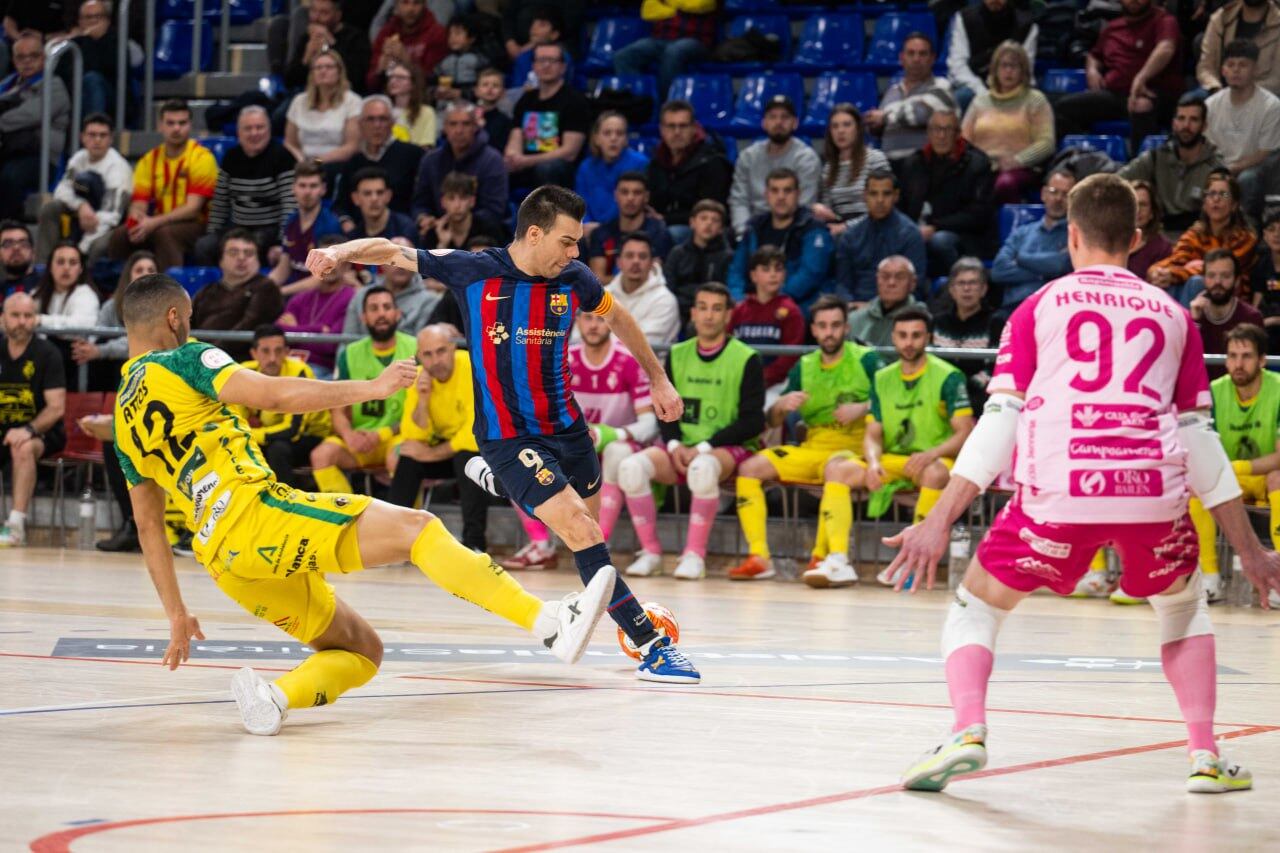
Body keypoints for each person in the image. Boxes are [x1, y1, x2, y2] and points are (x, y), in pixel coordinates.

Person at [887, 172, 1280, 796]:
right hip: (1152, 490)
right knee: (1182, 607)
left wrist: (938, 521)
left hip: (1060, 494)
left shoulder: (1037, 306)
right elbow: (1200, 442)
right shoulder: (1175, 315)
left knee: (976, 607)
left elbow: (1000, 421)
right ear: (1138, 237)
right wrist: (1253, 553)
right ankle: (1205, 756)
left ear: (1071, 233)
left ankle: (967, 732)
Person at [110, 273, 614, 737]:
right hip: (256, 514)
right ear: (174, 318)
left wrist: (176, 613)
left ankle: (274, 697)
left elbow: (148, 525)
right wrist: (368, 388)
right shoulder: (184, 358)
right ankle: (548, 624)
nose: (192, 324)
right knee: (418, 530)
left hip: (224, 560)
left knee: (363, 650)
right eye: (190, 316)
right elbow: (272, 394)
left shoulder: (121, 419)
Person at [307, 185, 702, 683]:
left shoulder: (574, 278)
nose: (575, 252)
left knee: (589, 535)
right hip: (509, 437)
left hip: (569, 430)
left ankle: (497, 483)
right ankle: (651, 646)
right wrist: (339, 251)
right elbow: (390, 250)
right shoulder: (473, 269)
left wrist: (657, 376)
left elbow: (618, 317)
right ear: (534, 234)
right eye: (566, 241)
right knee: (579, 529)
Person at [614, 282, 765, 582]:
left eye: (717, 309)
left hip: (725, 447)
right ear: (693, 313)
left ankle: (694, 555)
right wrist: (673, 445)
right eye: (703, 308)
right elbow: (664, 405)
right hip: (681, 446)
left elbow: (752, 422)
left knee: (702, 468)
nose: (709, 315)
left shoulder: (747, 358)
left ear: (728, 316)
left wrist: (704, 447)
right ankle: (652, 553)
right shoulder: (678, 353)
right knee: (630, 468)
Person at [729, 295, 882, 585]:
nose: (829, 332)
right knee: (750, 468)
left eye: (835, 325)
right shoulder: (805, 365)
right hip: (813, 446)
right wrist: (781, 405)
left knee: (834, 470)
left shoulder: (867, 359)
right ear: (813, 330)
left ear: (846, 328)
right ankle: (759, 557)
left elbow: (892, 400)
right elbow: (772, 421)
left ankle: (826, 556)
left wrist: (863, 407)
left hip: (853, 449)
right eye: (822, 326)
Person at [513, 309, 660, 570]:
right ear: (577, 321)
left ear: (611, 323)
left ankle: (600, 546)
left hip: (618, 446)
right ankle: (541, 547)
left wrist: (609, 434)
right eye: (587, 318)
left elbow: (649, 424)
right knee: (520, 456)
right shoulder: (564, 358)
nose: (593, 326)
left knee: (617, 453)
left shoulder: (628, 361)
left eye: (600, 319)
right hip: (573, 445)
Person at [861, 309, 975, 578]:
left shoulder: (949, 376)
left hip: (935, 459)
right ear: (893, 337)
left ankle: (913, 563)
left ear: (929, 337)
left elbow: (964, 431)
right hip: (895, 459)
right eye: (902, 335)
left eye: (915, 335)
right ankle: (833, 558)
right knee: (839, 470)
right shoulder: (882, 378)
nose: (908, 342)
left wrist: (930, 453)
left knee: (934, 473)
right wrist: (873, 462)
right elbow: (872, 433)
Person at [1189, 324, 1280, 606]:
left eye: (1246, 356)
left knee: (1279, 478)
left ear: (1262, 360)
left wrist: (1237, 468)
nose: (1238, 364)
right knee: (1196, 485)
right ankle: (1211, 578)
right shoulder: (1213, 392)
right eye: (1232, 356)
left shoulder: (1278, 390)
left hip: (1263, 476)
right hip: (1228, 477)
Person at [386, 324, 492, 551]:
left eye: (441, 351)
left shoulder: (473, 368)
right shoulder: (418, 379)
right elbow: (413, 435)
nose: (436, 360)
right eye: (428, 354)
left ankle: (474, 545)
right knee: (408, 459)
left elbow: (475, 433)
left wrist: (432, 453)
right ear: (419, 357)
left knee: (468, 460)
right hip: (446, 449)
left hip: (478, 449)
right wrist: (423, 400)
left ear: (453, 348)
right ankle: (392, 541)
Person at [310, 286, 418, 491]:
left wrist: (382, 434)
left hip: (398, 436)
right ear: (363, 318)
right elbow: (338, 406)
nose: (381, 314)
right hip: (360, 440)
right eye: (374, 309)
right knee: (322, 455)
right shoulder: (350, 354)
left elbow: (422, 409)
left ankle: (409, 520)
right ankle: (350, 518)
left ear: (397, 314)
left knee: (400, 457)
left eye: (386, 307)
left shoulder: (416, 348)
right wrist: (349, 435)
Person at [1054, 0, 1183, 152]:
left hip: (1155, 93)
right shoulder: (1113, 27)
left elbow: (1166, 48)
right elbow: (1094, 55)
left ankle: (1141, 168)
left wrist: (1141, 78)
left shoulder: (1164, 20)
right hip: (1116, 95)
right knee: (1062, 108)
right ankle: (1087, 155)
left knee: (1140, 105)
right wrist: (1092, 70)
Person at [108, 100, 218, 271]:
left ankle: (170, 292)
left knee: (165, 233)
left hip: (198, 225)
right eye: (170, 123)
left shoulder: (202, 158)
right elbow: (139, 204)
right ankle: (119, 290)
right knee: (121, 234)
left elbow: (193, 208)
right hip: (159, 222)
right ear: (160, 126)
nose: (176, 128)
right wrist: (137, 221)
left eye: (182, 123)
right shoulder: (149, 160)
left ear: (190, 125)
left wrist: (154, 222)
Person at [0, 293, 66, 548]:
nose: (22, 321)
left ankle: (16, 526)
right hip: (5, 429)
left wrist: (27, 430)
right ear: (3, 318)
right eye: (15, 315)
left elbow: (56, 407)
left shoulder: (48, 353)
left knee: (23, 448)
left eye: (28, 316)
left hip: (43, 432)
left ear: (36, 320)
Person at [233, 324, 332, 488]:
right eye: (265, 351)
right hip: (270, 433)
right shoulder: (244, 373)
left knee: (277, 449)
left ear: (287, 352)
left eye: (278, 351)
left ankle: (288, 504)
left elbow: (293, 429)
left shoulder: (300, 372)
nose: (272, 358)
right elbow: (237, 419)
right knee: (239, 447)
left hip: (311, 435)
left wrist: (253, 435)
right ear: (254, 353)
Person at [196, 106, 298, 266]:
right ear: (239, 132)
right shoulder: (230, 158)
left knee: (248, 248)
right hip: (237, 227)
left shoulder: (283, 157)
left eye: (260, 127)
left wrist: (281, 242)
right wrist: (213, 233)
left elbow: (289, 207)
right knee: (205, 246)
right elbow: (220, 204)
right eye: (248, 128)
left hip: (269, 230)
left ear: (269, 129)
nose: (254, 133)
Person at [901, 109, 997, 277]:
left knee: (940, 241)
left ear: (958, 133)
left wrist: (936, 226)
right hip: (918, 229)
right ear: (928, 133)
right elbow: (902, 205)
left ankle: (958, 283)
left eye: (948, 130)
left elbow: (979, 215)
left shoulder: (977, 164)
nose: (941, 135)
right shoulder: (914, 163)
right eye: (936, 129)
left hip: (964, 235)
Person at [726, 168, 834, 314]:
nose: (781, 197)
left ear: (798, 194)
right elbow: (737, 271)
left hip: (799, 304)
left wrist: (771, 300)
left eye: (787, 191)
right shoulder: (754, 227)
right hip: (755, 302)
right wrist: (739, 300)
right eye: (775, 191)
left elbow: (810, 274)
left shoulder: (813, 228)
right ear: (766, 195)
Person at [959, 41, 1053, 206]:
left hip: (1020, 168)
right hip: (983, 167)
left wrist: (1018, 160)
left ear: (1023, 71)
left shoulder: (1035, 100)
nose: (1008, 71)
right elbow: (963, 140)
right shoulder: (980, 101)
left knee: (1004, 184)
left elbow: (1046, 143)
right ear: (995, 69)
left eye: (1014, 66)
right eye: (1004, 65)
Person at [1119, 95, 1226, 236]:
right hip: (1156, 237)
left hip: (1197, 238)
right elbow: (1117, 182)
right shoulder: (1156, 158)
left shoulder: (1216, 168)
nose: (1186, 126)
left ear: (1204, 126)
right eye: (1181, 119)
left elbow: (1224, 213)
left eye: (1193, 120)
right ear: (1174, 123)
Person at [35, 113, 132, 265]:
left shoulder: (118, 170)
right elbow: (62, 190)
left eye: (103, 135)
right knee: (50, 208)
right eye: (92, 135)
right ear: (83, 137)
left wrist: (79, 249)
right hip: (82, 213)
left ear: (111, 139)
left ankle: (85, 279)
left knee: (97, 246)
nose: (97, 140)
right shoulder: (78, 159)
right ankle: (42, 267)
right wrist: (81, 205)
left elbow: (112, 216)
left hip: (110, 224)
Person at [1148, 172, 1257, 305]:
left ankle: (1187, 325)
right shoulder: (1195, 233)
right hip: (1194, 292)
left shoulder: (1245, 238)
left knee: (1197, 282)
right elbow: (1176, 259)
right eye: (1211, 194)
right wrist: (1157, 271)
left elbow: (1220, 271)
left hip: (1231, 298)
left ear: (1234, 205)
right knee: (1165, 283)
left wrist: (1176, 274)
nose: (1216, 199)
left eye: (1224, 194)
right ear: (1204, 204)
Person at [1204, 40, 1280, 221]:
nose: (1236, 70)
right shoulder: (1211, 105)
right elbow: (1206, 146)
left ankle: (1241, 228)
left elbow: (1265, 152)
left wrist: (1233, 169)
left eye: (1243, 65)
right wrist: (1221, 170)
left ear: (1255, 69)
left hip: (1255, 171)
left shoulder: (1271, 106)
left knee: (1246, 180)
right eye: (1231, 65)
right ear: (1223, 70)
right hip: (1219, 167)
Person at [728, 95, 822, 238]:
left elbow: (804, 204)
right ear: (764, 123)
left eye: (785, 117)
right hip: (753, 229)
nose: (778, 122)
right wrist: (744, 234)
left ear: (795, 123)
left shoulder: (807, 158)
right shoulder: (748, 157)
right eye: (772, 117)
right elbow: (739, 200)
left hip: (791, 231)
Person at [0, 32, 70, 220]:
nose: (27, 62)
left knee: (9, 177)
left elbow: (31, 115)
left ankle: (10, 226)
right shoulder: (8, 85)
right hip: (9, 150)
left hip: (41, 156)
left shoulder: (54, 85)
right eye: (21, 57)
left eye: (33, 56)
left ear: (44, 57)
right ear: (13, 60)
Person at [190, 229, 286, 363]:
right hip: (202, 357)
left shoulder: (266, 288)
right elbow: (188, 324)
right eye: (233, 252)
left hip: (240, 362)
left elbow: (249, 326)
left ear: (258, 260)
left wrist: (209, 354)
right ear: (221, 260)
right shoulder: (206, 291)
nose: (241, 258)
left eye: (249, 253)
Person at [504, 43, 590, 190]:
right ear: (534, 66)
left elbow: (569, 152)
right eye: (541, 61)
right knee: (493, 165)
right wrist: (513, 157)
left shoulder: (575, 101)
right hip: (528, 163)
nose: (546, 65)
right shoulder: (526, 100)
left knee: (547, 168)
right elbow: (515, 137)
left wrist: (527, 161)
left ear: (563, 67)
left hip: (558, 168)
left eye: (552, 61)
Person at [835, 171, 928, 307]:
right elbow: (842, 284)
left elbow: (915, 285)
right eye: (873, 194)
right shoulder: (850, 236)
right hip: (856, 309)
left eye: (886, 194)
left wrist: (875, 308)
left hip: (897, 309)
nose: (880, 200)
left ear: (896, 196)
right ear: (865, 196)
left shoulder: (910, 235)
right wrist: (849, 304)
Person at [72, 251, 157, 399]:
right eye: (139, 270)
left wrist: (100, 351)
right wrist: (86, 347)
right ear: (128, 276)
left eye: (150, 270)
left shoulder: (163, 307)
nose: (145, 274)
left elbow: (139, 344)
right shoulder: (112, 305)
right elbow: (96, 334)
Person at [412, 100, 508, 229]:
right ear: (445, 128)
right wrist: (423, 218)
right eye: (453, 124)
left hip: (481, 235)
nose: (459, 130)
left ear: (475, 127)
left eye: (466, 124)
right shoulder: (430, 160)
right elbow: (420, 204)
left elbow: (495, 210)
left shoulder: (492, 160)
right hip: (437, 232)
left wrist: (455, 224)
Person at [991, 169, 1075, 314]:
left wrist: (1021, 258)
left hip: (1054, 309)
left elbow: (1062, 265)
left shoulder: (1075, 236)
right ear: (1043, 194)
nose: (1058, 199)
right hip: (1014, 309)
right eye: (1054, 191)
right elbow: (998, 271)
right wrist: (1046, 273)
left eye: (1065, 194)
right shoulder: (1021, 233)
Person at [646, 99, 733, 237]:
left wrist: (665, 219)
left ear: (694, 128)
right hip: (662, 224)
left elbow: (711, 210)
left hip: (697, 229)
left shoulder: (711, 162)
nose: (677, 132)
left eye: (683, 126)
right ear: (661, 130)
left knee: (671, 233)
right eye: (671, 126)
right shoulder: (656, 163)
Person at [866, 33, 956, 164]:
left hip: (925, 166)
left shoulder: (942, 87)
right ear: (902, 58)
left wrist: (884, 117)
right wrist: (875, 126)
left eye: (922, 54)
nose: (916, 59)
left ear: (932, 58)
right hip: (890, 168)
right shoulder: (892, 91)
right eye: (911, 53)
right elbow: (882, 128)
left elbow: (920, 112)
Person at [334, 96, 426, 222]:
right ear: (360, 124)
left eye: (383, 119)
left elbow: (423, 202)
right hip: (360, 235)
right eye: (370, 119)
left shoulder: (414, 155)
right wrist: (345, 222)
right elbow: (340, 205)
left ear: (392, 123)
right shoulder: (353, 162)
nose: (377, 125)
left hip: (402, 233)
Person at [276, 234, 357, 378]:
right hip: (288, 363)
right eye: (323, 259)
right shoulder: (301, 298)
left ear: (347, 265)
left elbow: (331, 345)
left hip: (324, 369)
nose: (329, 265)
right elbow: (279, 331)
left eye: (335, 259)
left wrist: (295, 332)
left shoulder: (351, 298)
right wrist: (318, 330)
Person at [728, 245, 805, 391]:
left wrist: (761, 377)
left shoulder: (791, 311)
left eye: (778, 269)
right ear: (753, 275)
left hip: (777, 385)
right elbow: (727, 346)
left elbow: (790, 356)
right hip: (738, 380)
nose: (773, 274)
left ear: (785, 274)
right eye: (766, 269)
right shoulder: (739, 310)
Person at [812, 104, 891, 236]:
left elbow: (884, 205)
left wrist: (847, 226)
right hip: (840, 228)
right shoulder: (828, 168)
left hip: (872, 227)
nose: (840, 131)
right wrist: (822, 212)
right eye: (835, 126)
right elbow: (829, 210)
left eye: (847, 125)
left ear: (858, 129)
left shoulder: (876, 159)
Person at [946, 0, 1037, 111]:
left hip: (1013, 85)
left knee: (1035, 101)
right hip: (974, 85)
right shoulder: (964, 18)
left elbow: (1026, 69)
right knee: (961, 97)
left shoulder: (1027, 25)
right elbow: (958, 65)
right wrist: (982, 91)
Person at [611, 0, 715, 96]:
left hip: (695, 41)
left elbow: (700, 4)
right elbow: (647, 11)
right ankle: (638, 101)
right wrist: (681, 6)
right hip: (661, 40)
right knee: (623, 56)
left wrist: (668, 5)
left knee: (674, 52)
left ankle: (667, 105)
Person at [270, 160, 345, 292]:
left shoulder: (330, 226)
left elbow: (322, 277)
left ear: (323, 189)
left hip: (317, 295)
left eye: (313, 186)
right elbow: (284, 267)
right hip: (292, 292)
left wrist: (280, 292)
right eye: (302, 186)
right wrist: (262, 287)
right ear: (293, 188)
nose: (307, 192)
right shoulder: (291, 221)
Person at [931, 259, 998, 406]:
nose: (967, 289)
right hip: (939, 395)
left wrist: (960, 392)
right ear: (951, 290)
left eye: (973, 283)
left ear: (984, 289)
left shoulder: (996, 322)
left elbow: (994, 369)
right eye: (961, 283)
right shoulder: (937, 322)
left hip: (979, 398)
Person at [341, 237, 438, 337]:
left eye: (408, 258)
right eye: (394, 258)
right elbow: (346, 342)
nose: (401, 265)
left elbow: (424, 346)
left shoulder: (429, 301)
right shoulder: (361, 297)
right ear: (381, 263)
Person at [585, 172, 673, 279]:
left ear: (646, 197)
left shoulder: (659, 232)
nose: (630, 198)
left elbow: (652, 277)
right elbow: (598, 279)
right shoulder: (601, 233)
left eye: (637, 193)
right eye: (624, 192)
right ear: (616, 196)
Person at [284, 51, 363, 166]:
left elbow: (352, 146)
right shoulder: (299, 101)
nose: (323, 71)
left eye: (329, 67)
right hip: (303, 164)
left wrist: (317, 162)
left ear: (339, 72)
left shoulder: (352, 101)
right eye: (318, 67)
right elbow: (290, 143)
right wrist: (301, 161)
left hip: (336, 164)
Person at [602, 232, 679, 346]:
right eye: (629, 255)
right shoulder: (601, 296)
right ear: (619, 262)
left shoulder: (665, 300)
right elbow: (579, 337)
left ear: (652, 263)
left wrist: (600, 340)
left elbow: (643, 346)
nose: (636, 261)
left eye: (642, 256)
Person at [283, 0, 371, 97]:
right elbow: (289, 81)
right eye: (313, 11)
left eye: (324, 13)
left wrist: (331, 43)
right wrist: (306, 58)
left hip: (343, 96)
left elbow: (355, 78)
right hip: (309, 95)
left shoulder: (356, 38)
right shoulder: (307, 38)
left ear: (338, 15)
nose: (316, 17)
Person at [1190, 250, 1265, 363]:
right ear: (1204, 280)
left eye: (1225, 276)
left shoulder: (1252, 318)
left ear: (1237, 281)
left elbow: (1257, 367)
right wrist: (1194, 322)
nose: (1218, 282)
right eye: (1211, 275)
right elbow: (1187, 361)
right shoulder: (1193, 316)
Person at [663, 199, 732, 323]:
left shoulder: (727, 257)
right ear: (692, 222)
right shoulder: (677, 253)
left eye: (715, 220)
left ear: (721, 228)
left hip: (710, 315)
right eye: (703, 218)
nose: (708, 224)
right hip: (676, 311)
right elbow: (668, 287)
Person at [575, 112, 648, 226]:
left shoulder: (640, 164)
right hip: (590, 229)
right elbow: (580, 204)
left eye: (619, 133)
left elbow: (635, 204)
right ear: (596, 138)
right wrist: (586, 224)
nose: (613, 138)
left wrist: (603, 229)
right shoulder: (585, 167)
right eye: (607, 133)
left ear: (626, 139)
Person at [1197, 0, 1280, 97]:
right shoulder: (1222, 17)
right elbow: (1206, 67)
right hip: (1221, 91)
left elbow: (1276, 78)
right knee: (1192, 102)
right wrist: (1216, 89)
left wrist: (1245, 94)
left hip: (1265, 95)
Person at [847, 256, 930, 347]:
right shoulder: (854, 319)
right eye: (885, 276)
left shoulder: (923, 318)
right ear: (877, 280)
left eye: (900, 277)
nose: (891, 283)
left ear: (913, 283)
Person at [368, 0, 448, 93]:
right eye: (405, 2)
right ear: (396, 6)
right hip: (388, 97)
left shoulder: (437, 33)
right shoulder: (386, 32)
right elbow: (371, 85)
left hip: (422, 98)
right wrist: (380, 70)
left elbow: (432, 82)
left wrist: (406, 60)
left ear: (424, 5)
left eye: (416, 3)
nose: (410, 9)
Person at [418, 171, 504, 251]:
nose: (457, 205)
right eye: (451, 198)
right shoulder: (433, 234)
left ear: (472, 201)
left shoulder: (489, 230)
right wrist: (442, 245)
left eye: (463, 198)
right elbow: (429, 267)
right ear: (443, 202)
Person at [65, 0, 120, 117]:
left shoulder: (117, 42)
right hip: (77, 97)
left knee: (92, 79)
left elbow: (112, 71)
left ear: (107, 21)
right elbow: (65, 75)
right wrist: (87, 39)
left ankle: (95, 125)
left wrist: (96, 40)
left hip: (113, 98)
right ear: (80, 22)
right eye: (88, 17)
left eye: (98, 16)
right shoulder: (72, 45)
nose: (93, 21)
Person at [343, 167, 417, 241]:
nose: (374, 199)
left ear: (388, 195)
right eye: (367, 193)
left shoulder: (405, 228)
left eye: (380, 192)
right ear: (355, 198)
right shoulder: (353, 238)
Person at [431, 16, 488, 107]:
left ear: (471, 38)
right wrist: (436, 92)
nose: (452, 38)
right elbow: (432, 82)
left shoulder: (479, 60)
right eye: (450, 34)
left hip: (472, 105)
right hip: (446, 106)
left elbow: (486, 86)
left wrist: (461, 93)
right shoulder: (444, 61)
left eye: (458, 33)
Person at [1128, 179, 1175, 281]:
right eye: (1133, 203)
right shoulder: (1110, 242)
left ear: (1152, 212)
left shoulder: (1162, 248)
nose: (1137, 210)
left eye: (1143, 205)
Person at [384, 62, 438, 147]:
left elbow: (426, 148)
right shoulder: (382, 110)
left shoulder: (426, 112)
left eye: (400, 77)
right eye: (391, 77)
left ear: (413, 83)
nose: (393, 81)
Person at [1254, 207, 1280, 349]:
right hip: (1268, 332)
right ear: (1264, 235)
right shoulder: (1261, 265)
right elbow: (1255, 308)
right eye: (1272, 229)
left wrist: (1274, 320)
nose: (1277, 234)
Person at [473, 68, 513, 154]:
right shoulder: (468, 116)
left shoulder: (505, 121)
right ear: (476, 91)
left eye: (495, 85)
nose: (490, 88)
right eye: (485, 85)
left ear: (503, 92)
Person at [1, 221, 38, 296]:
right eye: (8, 244)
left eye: (23, 243)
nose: (16, 248)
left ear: (33, 252)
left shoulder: (47, 280)